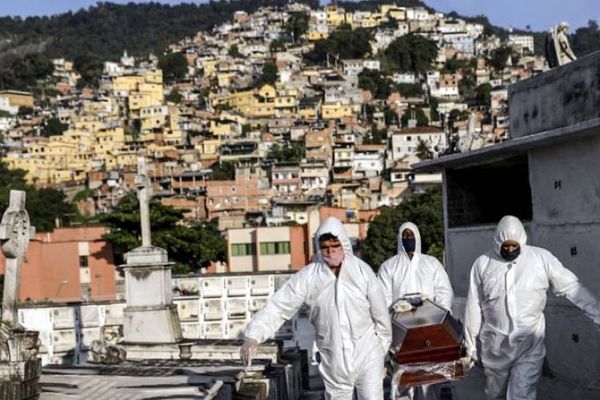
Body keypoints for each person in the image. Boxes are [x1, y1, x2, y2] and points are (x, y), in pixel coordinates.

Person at [240, 217, 392, 400]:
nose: (330, 251)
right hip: (333, 358)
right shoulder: (309, 277)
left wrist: (380, 352)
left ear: (343, 243)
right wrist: (253, 336)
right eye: (325, 247)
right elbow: (280, 305)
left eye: (335, 246)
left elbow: (381, 315)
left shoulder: (362, 272)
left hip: (367, 353)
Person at [464, 215, 600, 400]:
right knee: (495, 394)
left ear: (522, 240)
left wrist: (597, 313)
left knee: (522, 393)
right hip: (496, 345)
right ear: (497, 242)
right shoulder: (483, 264)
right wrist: (470, 344)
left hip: (530, 344)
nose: (510, 250)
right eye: (506, 246)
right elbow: (473, 305)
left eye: (514, 245)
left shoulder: (541, 259)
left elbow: (572, 287)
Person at [378, 222, 454, 400]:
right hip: (400, 333)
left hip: (428, 329)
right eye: (405, 237)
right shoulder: (389, 267)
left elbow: (444, 291)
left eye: (411, 237)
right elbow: (383, 299)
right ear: (399, 239)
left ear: (418, 238)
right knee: (403, 380)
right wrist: (396, 313)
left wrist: (436, 315)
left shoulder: (431, 264)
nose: (408, 240)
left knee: (429, 379)